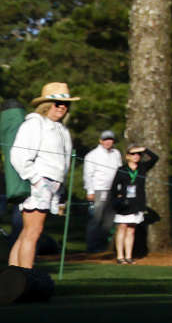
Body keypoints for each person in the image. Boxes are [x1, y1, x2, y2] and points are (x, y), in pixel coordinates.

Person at [7, 81, 75, 273]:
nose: (62, 107)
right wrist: (35, 179)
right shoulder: (35, 124)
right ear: (46, 104)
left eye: (66, 104)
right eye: (57, 103)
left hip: (53, 184)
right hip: (39, 183)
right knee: (33, 232)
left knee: (28, 232)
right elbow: (19, 156)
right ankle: (25, 275)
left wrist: (59, 188)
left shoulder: (62, 130)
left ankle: (14, 275)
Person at [108, 143, 157, 264]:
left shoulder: (142, 168)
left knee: (132, 230)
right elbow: (114, 187)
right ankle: (120, 256)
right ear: (127, 156)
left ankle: (128, 256)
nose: (136, 156)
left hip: (137, 203)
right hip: (124, 203)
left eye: (138, 154)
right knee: (122, 228)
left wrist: (144, 149)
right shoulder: (122, 170)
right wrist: (118, 197)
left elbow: (155, 158)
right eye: (133, 154)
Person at [83, 129, 121, 255]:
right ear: (100, 141)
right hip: (98, 189)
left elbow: (119, 171)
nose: (108, 142)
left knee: (109, 221)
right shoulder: (92, 155)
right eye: (105, 139)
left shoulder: (116, 153)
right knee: (96, 219)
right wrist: (90, 191)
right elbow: (88, 175)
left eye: (110, 139)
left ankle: (103, 246)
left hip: (113, 190)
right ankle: (92, 246)